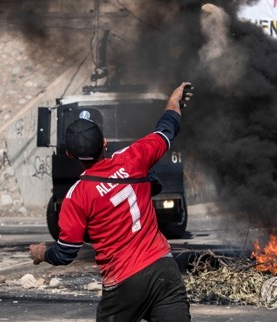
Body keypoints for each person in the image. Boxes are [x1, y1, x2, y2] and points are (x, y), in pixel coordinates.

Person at [29, 82, 192, 322]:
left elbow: (65, 254)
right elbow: (167, 129)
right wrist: (173, 101)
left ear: (70, 155)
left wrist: (41, 253)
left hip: (124, 283)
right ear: (104, 143)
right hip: (163, 270)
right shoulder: (133, 158)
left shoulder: (77, 196)